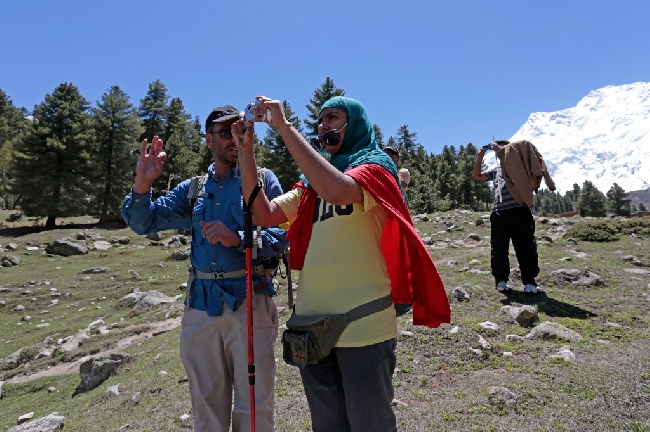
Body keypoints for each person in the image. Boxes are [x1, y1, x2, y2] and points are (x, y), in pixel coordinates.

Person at [234, 96, 450, 432]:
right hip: (311, 329)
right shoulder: (309, 186)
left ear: (356, 124)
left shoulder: (376, 169)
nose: (324, 127)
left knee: (370, 424)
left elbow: (337, 190)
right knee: (327, 425)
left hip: (363, 327)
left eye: (333, 118)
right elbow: (263, 213)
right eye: (320, 121)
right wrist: (246, 151)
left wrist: (285, 128)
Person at [121, 105, 288, 432]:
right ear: (208, 139)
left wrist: (238, 238)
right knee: (205, 404)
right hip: (200, 308)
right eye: (225, 133)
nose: (233, 139)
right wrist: (143, 181)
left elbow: (281, 236)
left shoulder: (263, 180)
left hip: (250, 302)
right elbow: (144, 221)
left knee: (255, 406)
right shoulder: (194, 189)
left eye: (239, 130)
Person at [472, 139, 549, 293]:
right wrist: (480, 157)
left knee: (526, 248)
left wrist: (501, 149)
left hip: (520, 211)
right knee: (499, 249)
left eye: (504, 149)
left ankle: (529, 282)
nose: (499, 152)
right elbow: (477, 175)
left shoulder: (519, 167)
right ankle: (500, 280)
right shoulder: (496, 171)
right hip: (500, 213)